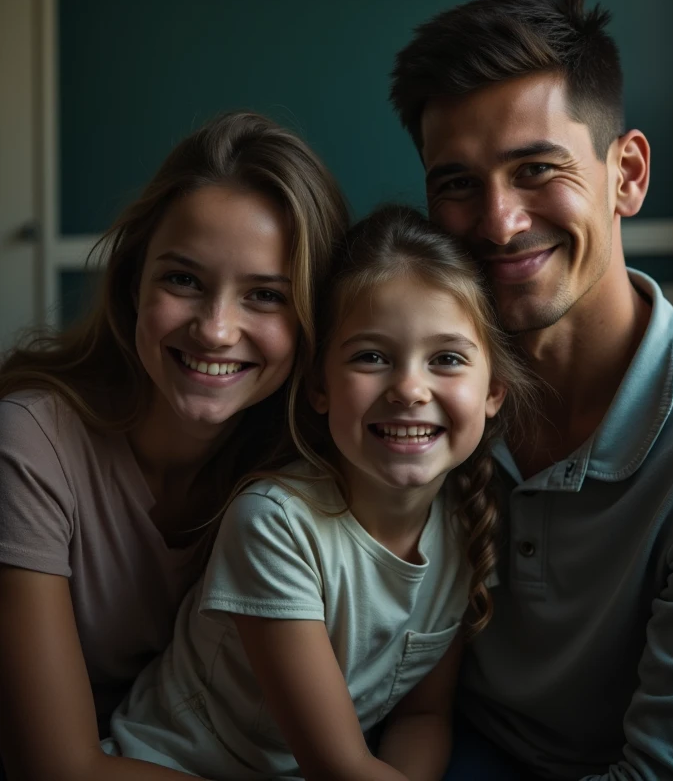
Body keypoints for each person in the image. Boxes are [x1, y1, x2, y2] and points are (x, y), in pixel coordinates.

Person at [103, 205, 536, 781]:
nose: (409, 388)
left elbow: (423, 716)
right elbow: (338, 766)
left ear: (494, 392)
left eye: (447, 359)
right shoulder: (275, 524)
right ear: (319, 387)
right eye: (371, 357)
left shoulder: (467, 521)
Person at [390, 0, 673, 780]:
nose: (498, 221)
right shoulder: (410, 393)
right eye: (456, 183)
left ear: (626, 174)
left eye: (536, 169)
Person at [0, 111, 349, 781]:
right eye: (183, 280)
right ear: (135, 282)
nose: (216, 330)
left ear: (313, 319)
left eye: (265, 296)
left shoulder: (308, 470)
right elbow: (57, 769)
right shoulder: (31, 441)